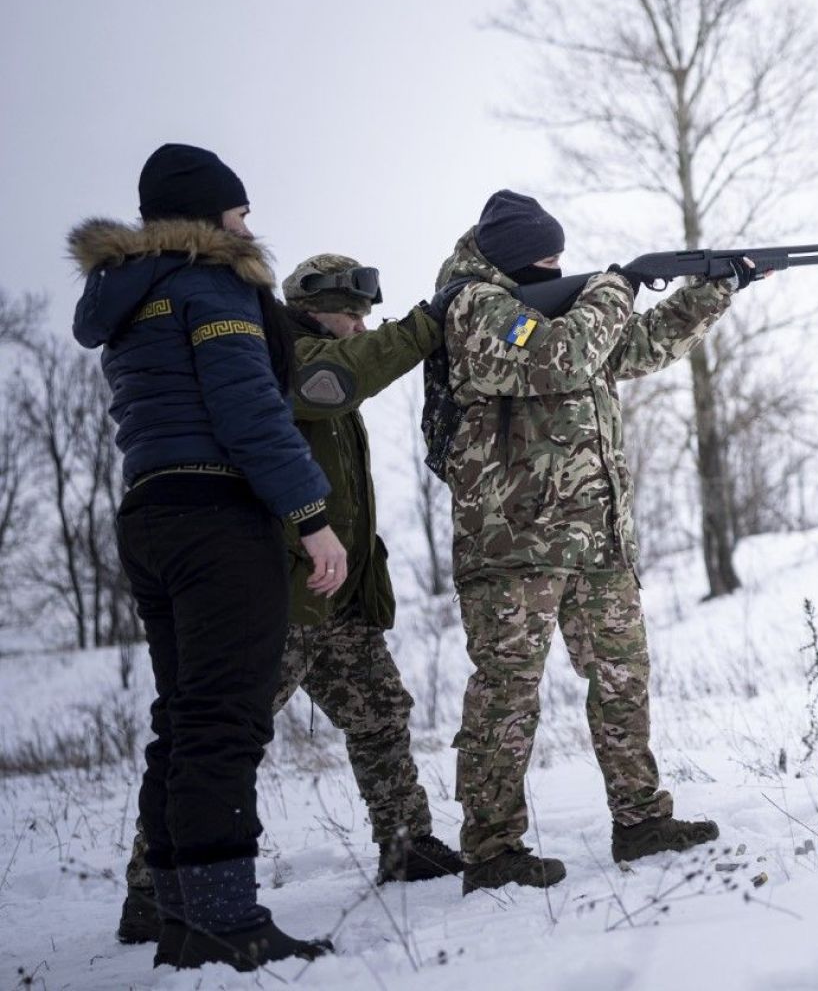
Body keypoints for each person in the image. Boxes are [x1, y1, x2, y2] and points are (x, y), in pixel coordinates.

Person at [115, 253, 462, 944]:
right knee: (219, 739)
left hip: (340, 599)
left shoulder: (325, 351)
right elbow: (340, 382)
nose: (363, 323)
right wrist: (425, 325)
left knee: (382, 715)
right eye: (353, 311)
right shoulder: (286, 355)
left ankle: (406, 841)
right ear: (314, 305)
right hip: (281, 596)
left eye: (367, 315)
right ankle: (152, 891)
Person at [434, 190, 758, 893]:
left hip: (595, 540)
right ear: (513, 260)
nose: (557, 266)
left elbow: (635, 346)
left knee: (622, 679)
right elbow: (562, 358)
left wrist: (713, 291)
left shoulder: (560, 309)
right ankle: (491, 850)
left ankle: (641, 820)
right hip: (513, 545)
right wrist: (618, 286)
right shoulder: (476, 311)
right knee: (508, 696)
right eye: (545, 259)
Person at [71, 143, 340, 971]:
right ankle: (229, 919)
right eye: (240, 211)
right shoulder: (210, 281)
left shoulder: (130, 293)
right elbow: (248, 410)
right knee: (224, 721)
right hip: (218, 517)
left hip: (149, 512)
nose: (249, 225)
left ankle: (187, 920)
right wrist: (311, 514)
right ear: (208, 214)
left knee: (183, 720)